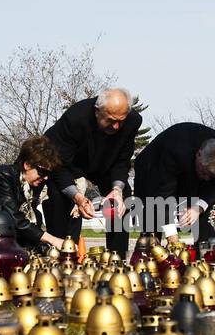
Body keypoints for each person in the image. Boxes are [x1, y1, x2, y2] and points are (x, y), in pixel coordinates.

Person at [43, 88, 141, 259]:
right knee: (59, 197)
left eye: (121, 121)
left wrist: (116, 190)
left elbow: (122, 161)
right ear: (97, 111)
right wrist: (78, 198)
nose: (116, 126)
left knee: (120, 199)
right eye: (110, 120)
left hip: (103, 164)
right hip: (67, 163)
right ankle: (62, 255)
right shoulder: (75, 118)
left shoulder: (133, 121)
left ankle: (116, 258)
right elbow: (59, 167)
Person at [131, 123, 215, 245]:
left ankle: (205, 252)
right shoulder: (175, 150)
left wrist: (198, 208)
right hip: (151, 171)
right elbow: (164, 193)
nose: (207, 178)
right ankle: (149, 253)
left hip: (187, 166)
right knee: (152, 218)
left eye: (211, 176)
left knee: (203, 216)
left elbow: (213, 186)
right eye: (205, 172)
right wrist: (171, 234)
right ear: (198, 154)